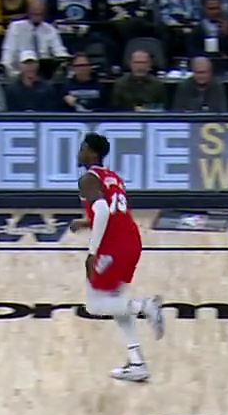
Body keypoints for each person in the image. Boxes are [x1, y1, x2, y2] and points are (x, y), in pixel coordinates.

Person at [67, 132, 162, 383]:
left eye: (83, 149)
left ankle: (146, 307)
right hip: (131, 241)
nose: (79, 153)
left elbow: (102, 212)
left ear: (93, 153)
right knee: (117, 304)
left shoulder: (88, 179)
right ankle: (137, 362)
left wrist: (92, 252)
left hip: (113, 247)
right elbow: (111, 212)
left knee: (95, 306)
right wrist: (85, 223)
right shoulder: (113, 177)